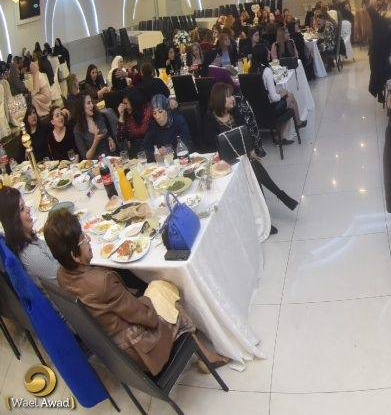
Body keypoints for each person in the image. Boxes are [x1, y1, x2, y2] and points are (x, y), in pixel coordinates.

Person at [43, 209, 228, 376]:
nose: (89, 240)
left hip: (115, 349)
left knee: (157, 293)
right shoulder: (102, 283)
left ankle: (203, 353)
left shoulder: (62, 274)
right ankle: (205, 355)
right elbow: (148, 318)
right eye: (83, 239)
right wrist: (148, 301)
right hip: (139, 347)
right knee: (164, 288)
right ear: (74, 255)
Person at [203, 82, 297, 216]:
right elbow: (211, 148)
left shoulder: (234, 112)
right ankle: (278, 197)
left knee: (253, 165)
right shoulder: (209, 120)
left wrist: (251, 150)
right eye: (229, 96)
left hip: (242, 155)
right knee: (253, 167)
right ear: (220, 99)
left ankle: (265, 213)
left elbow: (246, 132)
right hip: (225, 161)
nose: (233, 99)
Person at [0, 187, 59, 285]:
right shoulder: (31, 254)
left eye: (24, 205)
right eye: (22, 208)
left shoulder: (26, 237)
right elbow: (62, 280)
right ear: (13, 220)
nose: (28, 209)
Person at [251, 44, 306, 136]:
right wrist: (281, 94)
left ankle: (293, 126)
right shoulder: (266, 71)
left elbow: (262, 91)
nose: (269, 52)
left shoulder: (251, 70)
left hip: (257, 109)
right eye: (267, 51)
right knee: (290, 96)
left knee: (291, 104)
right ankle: (287, 130)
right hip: (269, 109)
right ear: (263, 54)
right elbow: (274, 98)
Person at [142, 94, 191, 161]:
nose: (157, 117)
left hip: (181, 160)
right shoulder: (153, 125)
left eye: (160, 112)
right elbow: (144, 149)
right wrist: (156, 153)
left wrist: (169, 152)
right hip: (162, 163)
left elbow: (187, 145)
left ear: (167, 110)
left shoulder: (178, 121)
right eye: (154, 113)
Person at [73, 94, 118, 159]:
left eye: (91, 102)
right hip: (96, 162)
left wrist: (110, 139)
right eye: (88, 103)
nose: (92, 105)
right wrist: (96, 141)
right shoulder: (77, 130)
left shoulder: (100, 117)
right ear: (81, 107)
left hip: (110, 156)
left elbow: (109, 135)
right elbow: (86, 158)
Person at [117, 87, 153, 157]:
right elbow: (120, 138)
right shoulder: (126, 115)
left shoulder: (148, 111)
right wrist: (121, 116)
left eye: (126, 103)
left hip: (150, 148)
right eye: (123, 103)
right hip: (135, 151)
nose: (124, 106)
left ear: (134, 102)